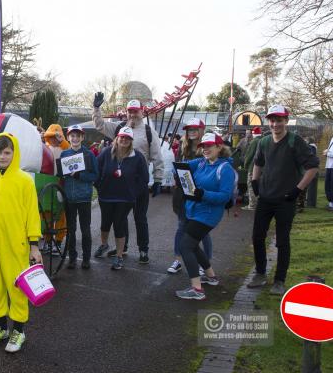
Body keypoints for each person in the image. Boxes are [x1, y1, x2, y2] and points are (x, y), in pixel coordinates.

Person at [0, 133, 42, 353]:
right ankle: (1, 328)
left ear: (14, 153)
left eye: (7, 152)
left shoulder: (24, 181)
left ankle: (19, 331)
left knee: (17, 288)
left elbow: (32, 214)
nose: (2, 157)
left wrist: (33, 245)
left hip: (17, 246)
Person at [247, 105, 319, 295]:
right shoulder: (263, 142)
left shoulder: (295, 142)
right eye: (272, 120)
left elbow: (312, 167)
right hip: (265, 198)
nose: (275, 124)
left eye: (279, 120)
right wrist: (255, 181)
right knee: (257, 237)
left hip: (285, 200)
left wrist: (297, 190)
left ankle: (279, 280)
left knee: (282, 241)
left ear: (286, 121)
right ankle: (260, 273)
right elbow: (258, 163)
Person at [92, 94, 163, 264]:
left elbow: (157, 156)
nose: (132, 114)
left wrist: (158, 178)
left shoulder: (148, 131)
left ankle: (143, 250)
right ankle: (122, 248)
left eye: (136, 111)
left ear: (142, 112)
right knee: (120, 219)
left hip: (138, 183)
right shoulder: (119, 128)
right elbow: (100, 125)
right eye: (130, 111)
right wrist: (96, 109)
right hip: (118, 185)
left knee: (140, 218)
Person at [175, 132, 235, 300]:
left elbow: (225, 196)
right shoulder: (202, 162)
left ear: (219, 147)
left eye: (209, 146)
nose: (205, 149)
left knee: (185, 246)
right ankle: (211, 276)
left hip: (208, 215)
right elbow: (180, 166)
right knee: (192, 246)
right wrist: (180, 174)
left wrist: (203, 194)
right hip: (194, 211)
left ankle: (197, 289)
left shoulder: (225, 168)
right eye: (203, 146)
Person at [94, 127, 149, 270]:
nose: (124, 140)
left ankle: (119, 256)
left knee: (119, 224)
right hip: (106, 196)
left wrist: (133, 193)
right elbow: (95, 169)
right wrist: (98, 186)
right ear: (117, 138)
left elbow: (144, 179)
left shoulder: (137, 157)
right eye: (122, 137)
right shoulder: (106, 152)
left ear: (131, 141)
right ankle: (104, 244)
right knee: (105, 223)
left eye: (127, 138)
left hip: (125, 199)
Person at [167, 118, 213, 275]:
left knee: (202, 231)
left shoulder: (208, 146)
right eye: (189, 129)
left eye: (195, 128)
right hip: (182, 193)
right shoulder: (182, 146)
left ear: (202, 129)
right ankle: (178, 260)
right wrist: (175, 173)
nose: (192, 131)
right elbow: (177, 165)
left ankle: (205, 263)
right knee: (181, 227)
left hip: (200, 194)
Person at [59, 125, 99, 269]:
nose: (75, 138)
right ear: (68, 137)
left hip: (84, 198)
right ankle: (72, 258)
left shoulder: (89, 155)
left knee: (85, 230)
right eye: (72, 136)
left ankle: (86, 258)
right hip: (69, 198)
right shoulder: (64, 155)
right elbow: (61, 175)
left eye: (77, 136)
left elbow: (95, 175)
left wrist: (79, 175)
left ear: (82, 137)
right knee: (70, 229)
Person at [42, 124, 69, 254]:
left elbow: (69, 148)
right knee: (46, 213)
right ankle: (47, 241)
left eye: (56, 137)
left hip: (60, 184)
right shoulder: (44, 148)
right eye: (51, 137)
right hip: (46, 184)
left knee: (60, 215)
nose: (53, 139)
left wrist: (62, 140)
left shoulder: (65, 149)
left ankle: (58, 241)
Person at [241, 127, 263, 210]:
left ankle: (252, 205)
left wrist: (245, 165)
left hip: (253, 168)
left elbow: (249, 155)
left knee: (251, 185)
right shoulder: (264, 140)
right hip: (263, 169)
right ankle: (259, 204)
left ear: (253, 134)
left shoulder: (254, 142)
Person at [324, 134, 333, 211]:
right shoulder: (332, 138)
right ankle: (330, 203)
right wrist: (327, 151)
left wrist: (327, 153)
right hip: (329, 165)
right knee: (328, 184)